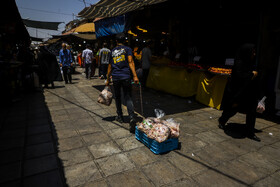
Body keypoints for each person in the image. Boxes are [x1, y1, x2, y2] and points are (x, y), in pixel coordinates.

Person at [218, 43, 261, 142]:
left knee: (251, 112)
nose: (254, 54)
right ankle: (222, 120)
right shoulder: (239, 63)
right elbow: (240, 77)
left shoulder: (251, 63)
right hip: (238, 92)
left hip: (249, 93)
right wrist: (251, 75)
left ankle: (250, 132)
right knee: (233, 109)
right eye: (252, 52)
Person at [106, 33, 139, 133]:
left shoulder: (112, 51)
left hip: (116, 77)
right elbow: (130, 61)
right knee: (128, 96)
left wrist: (107, 79)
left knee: (118, 97)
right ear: (124, 41)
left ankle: (120, 116)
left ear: (116, 41)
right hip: (126, 76)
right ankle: (132, 116)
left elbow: (110, 66)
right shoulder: (127, 49)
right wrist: (135, 75)